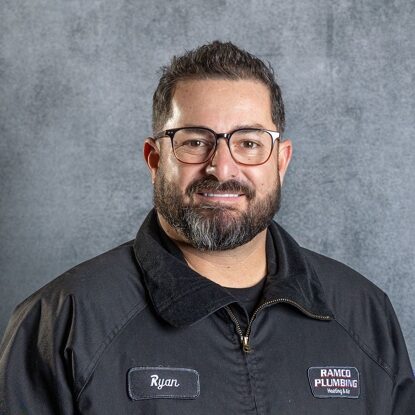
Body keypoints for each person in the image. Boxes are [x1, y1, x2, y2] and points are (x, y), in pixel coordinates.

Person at [0, 41, 413, 415]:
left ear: (281, 161)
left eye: (249, 143)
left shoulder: (364, 313)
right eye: (195, 142)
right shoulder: (63, 322)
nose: (222, 168)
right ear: (155, 159)